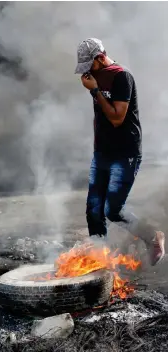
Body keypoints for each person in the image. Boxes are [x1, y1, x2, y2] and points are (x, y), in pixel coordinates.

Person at [76, 38, 165, 265]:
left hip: (125, 153)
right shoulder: (96, 76)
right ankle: (98, 259)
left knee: (112, 209)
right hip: (102, 152)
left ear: (100, 57)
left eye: (89, 64)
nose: (85, 71)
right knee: (93, 209)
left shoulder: (121, 76)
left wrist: (95, 90)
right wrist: (95, 87)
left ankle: (153, 238)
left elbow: (116, 118)